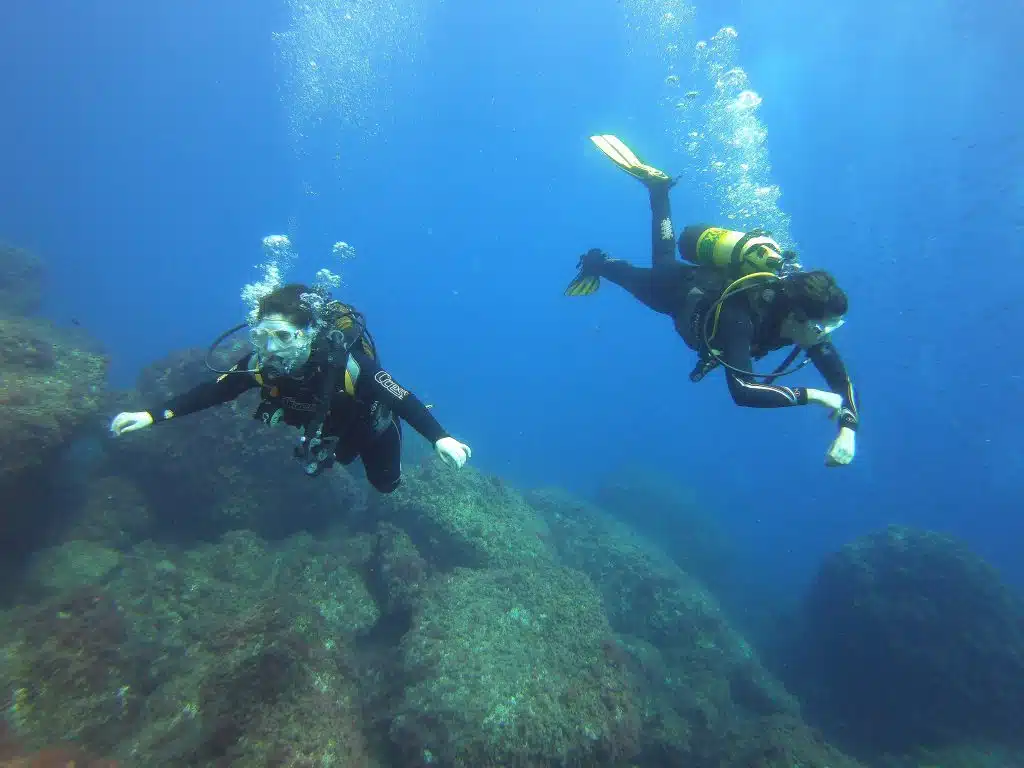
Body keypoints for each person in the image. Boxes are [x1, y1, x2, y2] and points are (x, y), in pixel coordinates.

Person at [565, 135, 859, 467]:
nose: (825, 334)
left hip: (702, 308)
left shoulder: (803, 324)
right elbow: (744, 392)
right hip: (677, 291)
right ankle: (626, 228)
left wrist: (847, 429)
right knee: (650, 267)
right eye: (823, 325)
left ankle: (650, 202)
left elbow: (841, 380)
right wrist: (815, 397)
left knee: (647, 269)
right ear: (799, 316)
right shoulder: (741, 317)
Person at [109, 284, 472, 491]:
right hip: (325, 432)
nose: (270, 348)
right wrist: (150, 415)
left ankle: (380, 440)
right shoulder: (259, 365)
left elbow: (401, 396)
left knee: (385, 486)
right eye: (261, 336)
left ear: (308, 334)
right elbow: (210, 393)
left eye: (282, 336)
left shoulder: (347, 363)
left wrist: (441, 438)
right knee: (340, 460)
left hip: (368, 429)